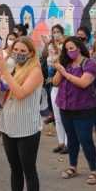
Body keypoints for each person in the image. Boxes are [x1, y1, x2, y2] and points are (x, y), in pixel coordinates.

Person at [0, 37, 44, 191]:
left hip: (27, 126)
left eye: (23, 50)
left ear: (31, 53)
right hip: (8, 124)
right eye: (16, 50)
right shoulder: (12, 67)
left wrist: (4, 72)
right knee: (15, 168)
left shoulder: (35, 71)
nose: (19, 53)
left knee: (29, 169)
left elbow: (21, 93)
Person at [53, 36, 96, 184]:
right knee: (71, 139)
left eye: (71, 48)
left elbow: (84, 83)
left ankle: (93, 170)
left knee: (85, 139)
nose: (69, 52)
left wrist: (66, 73)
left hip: (83, 108)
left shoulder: (89, 64)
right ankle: (72, 166)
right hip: (66, 107)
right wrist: (60, 69)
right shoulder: (66, 63)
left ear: (79, 47)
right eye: (66, 49)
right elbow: (55, 82)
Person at [44, 24, 67, 154]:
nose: (56, 34)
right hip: (53, 83)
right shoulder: (51, 46)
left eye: (58, 31)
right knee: (57, 117)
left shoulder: (65, 45)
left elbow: (62, 60)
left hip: (64, 83)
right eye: (54, 32)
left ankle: (69, 144)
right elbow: (49, 61)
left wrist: (59, 49)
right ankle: (61, 142)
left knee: (66, 117)